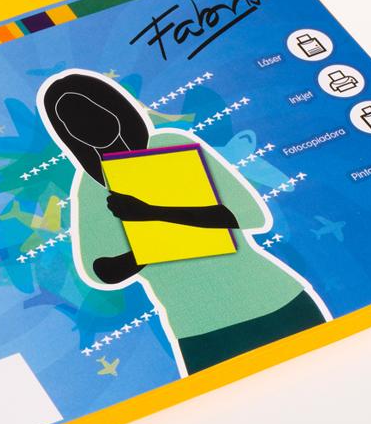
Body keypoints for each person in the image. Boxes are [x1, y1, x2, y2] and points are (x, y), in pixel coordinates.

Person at [39, 69, 329, 374]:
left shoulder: (171, 144)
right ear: (67, 134)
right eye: (72, 122)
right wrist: (154, 244)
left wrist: (152, 214)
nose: (86, 125)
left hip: (274, 301)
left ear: (113, 108)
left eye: (91, 112)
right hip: (200, 330)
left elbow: (248, 215)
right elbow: (101, 271)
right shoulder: (92, 186)